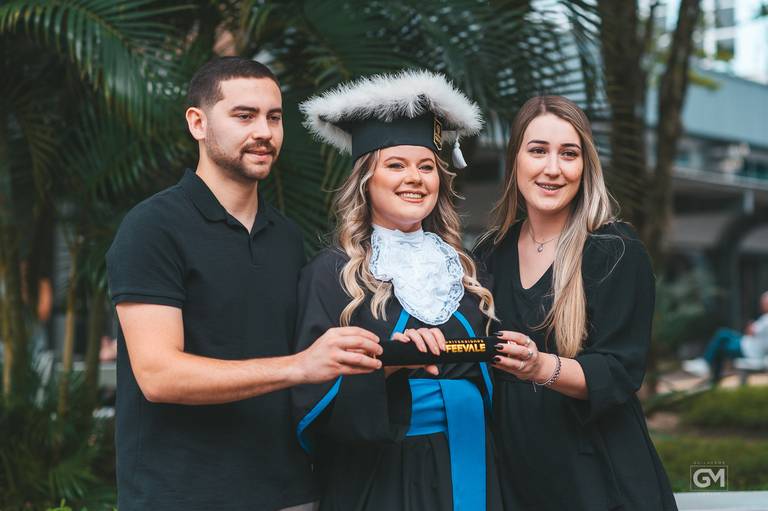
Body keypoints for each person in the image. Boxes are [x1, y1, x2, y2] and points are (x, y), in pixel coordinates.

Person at [105, 57, 382, 511]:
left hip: (291, 493)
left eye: (274, 117)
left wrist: (393, 357)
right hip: (182, 496)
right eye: (244, 116)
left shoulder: (287, 237)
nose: (264, 132)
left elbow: (315, 363)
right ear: (197, 122)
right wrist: (298, 366)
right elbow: (158, 375)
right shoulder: (153, 228)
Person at [292, 69, 503, 511]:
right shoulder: (331, 274)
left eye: (426, 166)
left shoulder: (467, 270)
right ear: (365, 179)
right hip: (382, 475)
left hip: (470, 460)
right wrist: (390, 365)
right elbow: (312, 398)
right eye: (395, 165)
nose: (415, 178)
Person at [476, 95, 677, 510]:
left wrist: (539, 366)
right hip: (516, 476)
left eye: (569, 154)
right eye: (538, 151)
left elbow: (619, 371)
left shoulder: (614, 250)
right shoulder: (489, 253)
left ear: (585, 166)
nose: (553, 168)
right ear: (515, 160)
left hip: (599, 478)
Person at [683, 291, 768, 383]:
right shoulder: (765, 318)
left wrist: (750, 326)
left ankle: (707, 367)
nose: (761, 305)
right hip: (746, 344)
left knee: (720, 344)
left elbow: (751, 331)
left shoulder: (766, 318)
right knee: (723, 334)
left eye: (764, 302)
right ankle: (706, 366)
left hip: (748, 350)